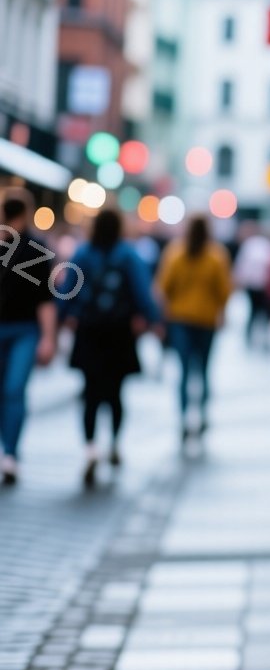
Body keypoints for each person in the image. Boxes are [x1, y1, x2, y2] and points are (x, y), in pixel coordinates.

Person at [63, 208, 162, 487]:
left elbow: (67, 289)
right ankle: (115, 444)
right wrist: (154, 322)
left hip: (89, 331)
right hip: (119, 333)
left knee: (90, 393)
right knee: (116, 393)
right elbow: (143, 293)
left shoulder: (82, 253)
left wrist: (62, 320)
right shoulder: (129, 255)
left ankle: (90, 448)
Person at [156, 214, 232, 445]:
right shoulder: (216, 256)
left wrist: (161, 317)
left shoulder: (176, 253)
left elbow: (163, 287)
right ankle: (203, 416)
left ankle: (183, 418)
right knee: (204, 370)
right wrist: (220, 311)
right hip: (206, 320)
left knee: (184, 371)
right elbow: (225, 290)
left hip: (180, 320)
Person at [0, 189, 58, 486]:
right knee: (12, 391)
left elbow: (44, 298)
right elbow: (46, 300)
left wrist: (48, 337)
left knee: (11, 390)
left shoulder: (33, 247)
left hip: (22, 329)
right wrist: (49, 338)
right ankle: (9, 453)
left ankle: (9, 453)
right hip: (24, 328)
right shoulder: (36, 246)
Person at [231, 221, 270, 351]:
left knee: (255, 311)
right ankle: (258, 337)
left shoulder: (251, 245)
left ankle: (252, 336)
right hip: (261, 284)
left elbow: (242, 265)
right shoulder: (266, 245)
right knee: (260, 312)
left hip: (256, 284)